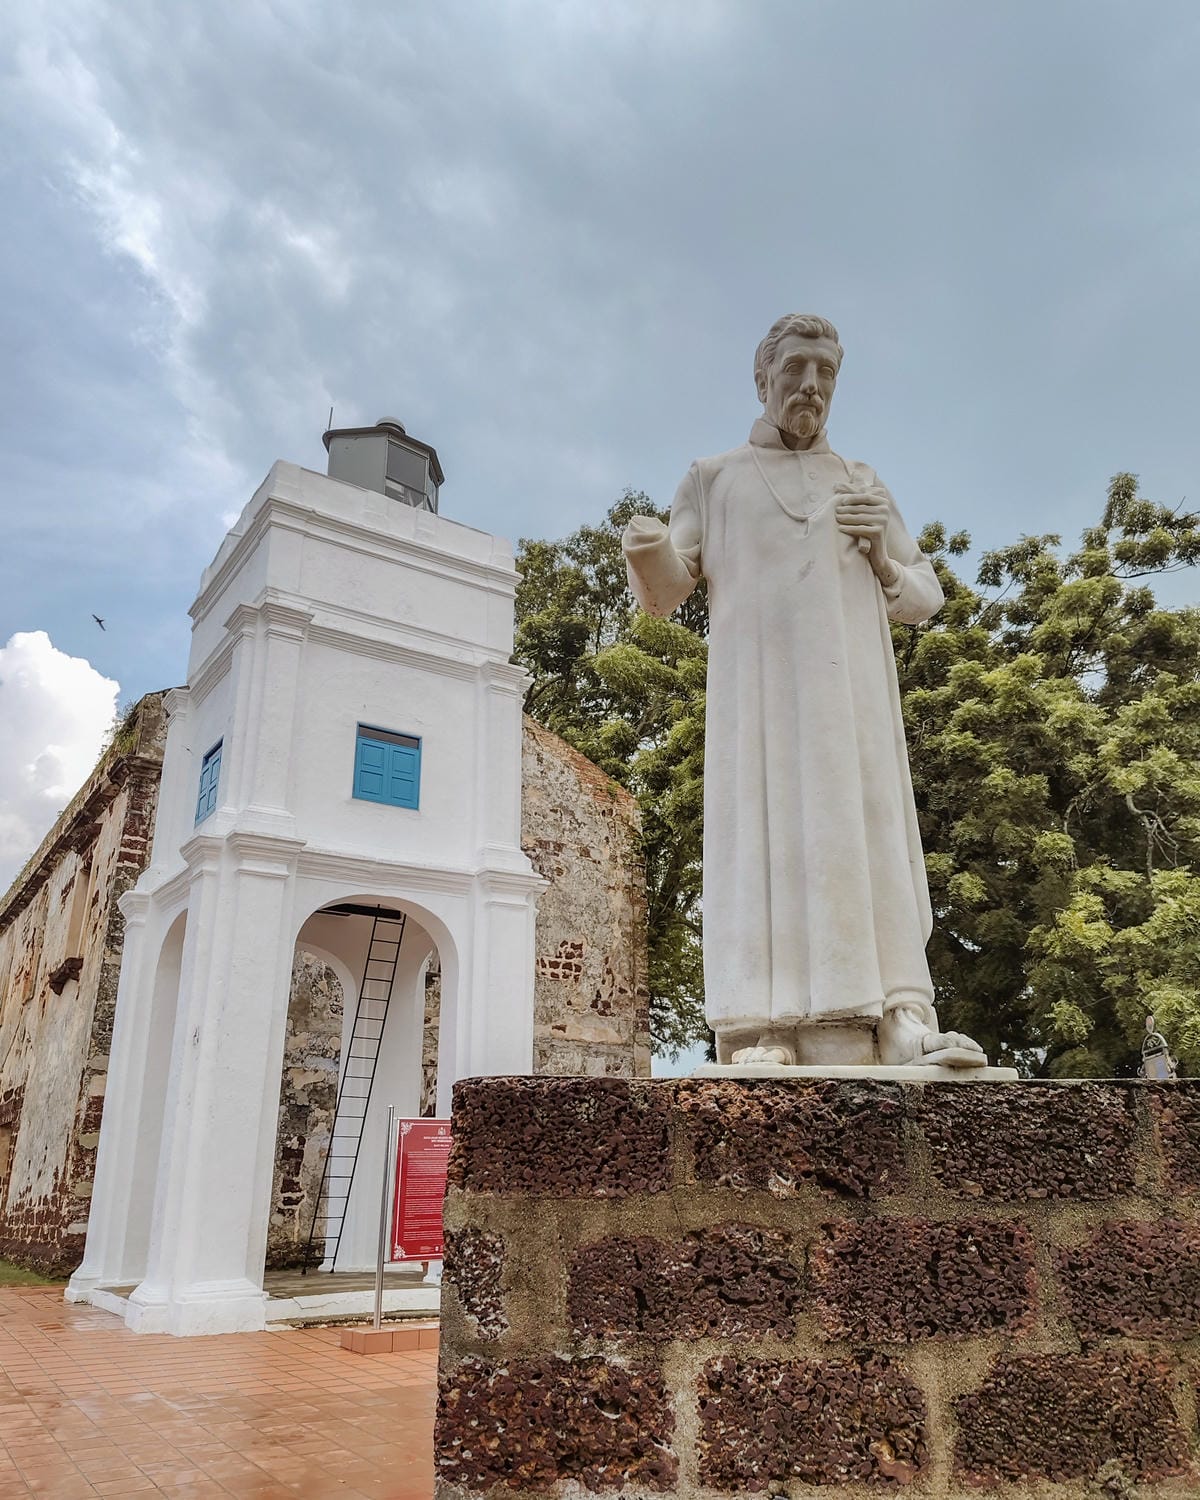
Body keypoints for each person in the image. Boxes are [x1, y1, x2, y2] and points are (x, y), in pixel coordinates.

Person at [623, 313, 987, 1068]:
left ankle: (899, 1017)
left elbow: (925, 593)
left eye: (826, 373)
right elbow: (666, 592)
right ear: (763, 378)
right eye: (796, 369)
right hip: (757, 706)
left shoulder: (861, 482)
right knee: (764, 837)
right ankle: (763, 1026)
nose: (812, 386)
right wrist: (649, 548)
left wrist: (884, 557)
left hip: (850, 703)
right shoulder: (713, 478)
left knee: (864, 836)